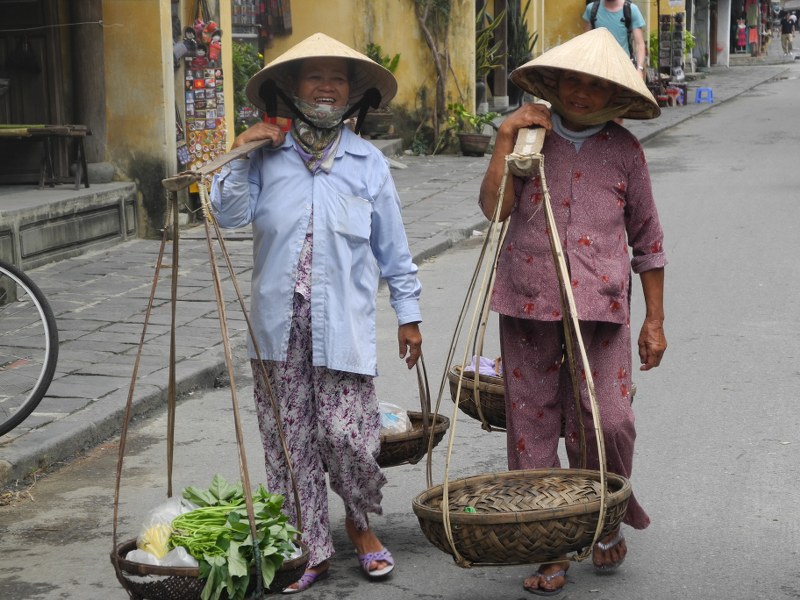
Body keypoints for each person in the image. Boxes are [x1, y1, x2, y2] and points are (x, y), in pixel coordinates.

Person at [209, 32, 423, 593]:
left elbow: (394, 251)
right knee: (290, 441)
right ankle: (310, 546)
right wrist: (238, 150)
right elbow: (227, 214)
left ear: (352, 94)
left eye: (338, 79)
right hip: (276, 329)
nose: (326, 88)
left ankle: (358, 521)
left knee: (345, 435)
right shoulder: (264, 158)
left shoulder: (366, 163)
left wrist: (410, 314)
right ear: (291, 89)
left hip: (343, 328)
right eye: (314, 77)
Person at [478, 28, 667, 596]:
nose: (581, 93)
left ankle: (604, 515)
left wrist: (654, 321)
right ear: (554, 84)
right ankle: (549, 546)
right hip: (526, 300)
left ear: (613, 94)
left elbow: (649, 241)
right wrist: (505, 137)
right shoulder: (529, 137)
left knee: (608, 419)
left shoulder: (625, 151)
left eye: (594, 85)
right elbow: (494, 210)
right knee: (531, 424)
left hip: (602, 309)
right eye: (572, 81)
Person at [583, 0, 647, 79]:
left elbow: (639, 43)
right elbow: (586, 40)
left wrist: (639, 69)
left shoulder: (630, 9)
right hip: (597, 68)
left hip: (622, 68)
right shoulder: (592, 9)